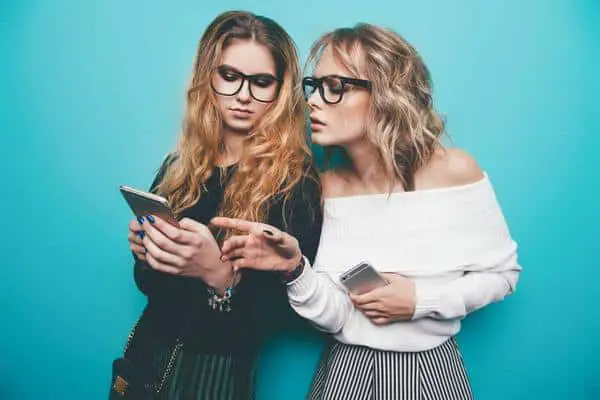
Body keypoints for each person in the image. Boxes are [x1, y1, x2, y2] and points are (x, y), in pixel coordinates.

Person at [212, 23, 521, 400]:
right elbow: (334, 316)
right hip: (343, 371)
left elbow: (503, 275)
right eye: (315, 85)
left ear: (387, 93)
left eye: (335, 87)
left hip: (432, 370)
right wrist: (294, 269)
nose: (313, 101)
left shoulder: (455, 171)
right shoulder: (327, 187)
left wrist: (420, 301)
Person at [120, 11, 322, 400]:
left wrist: (218, 274)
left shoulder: (297, 183)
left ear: (281, 90)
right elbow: (149, 288)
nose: (243, 95)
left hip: (216, 372)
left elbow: (291, 317)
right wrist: (150, 253)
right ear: (208, 78)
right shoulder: (180, 168)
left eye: (261, 82)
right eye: (229, 77)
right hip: (145, 359)